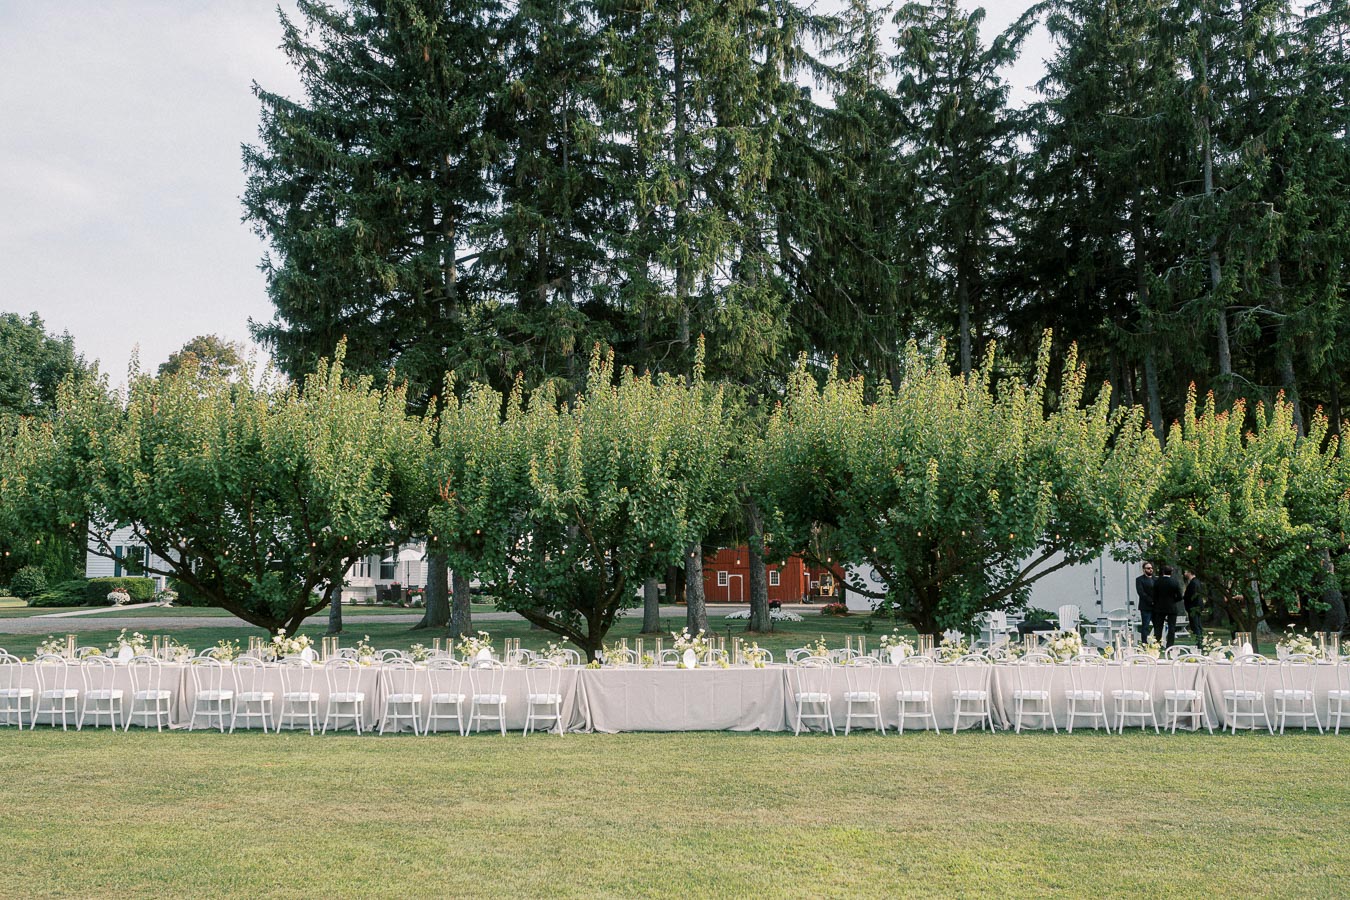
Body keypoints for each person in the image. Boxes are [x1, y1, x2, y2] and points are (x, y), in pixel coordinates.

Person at [1152, 564, 1183, 647]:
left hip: (1160, 607)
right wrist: (1173, 601)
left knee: (1158, 627)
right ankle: (1170, 646)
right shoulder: (1174, 582)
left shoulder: (1158, 582)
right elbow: (1180, 596)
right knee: (1171, 627)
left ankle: (1157, 644)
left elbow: (1154, 595)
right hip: (1171, 607)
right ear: (1171, 572)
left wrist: (1157, 602)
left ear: (1163, 572)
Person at [1136, 562, 1156, 642]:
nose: (1150, 570)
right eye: (1148, 568)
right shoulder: (1139, 579)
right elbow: (1141, 593)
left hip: (1156, 607)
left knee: (1157, 626)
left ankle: (1157, 643)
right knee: (1145, 626)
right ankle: (1144, 643)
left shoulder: (1156, 579)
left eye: (1151, 568)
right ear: (1144, 569)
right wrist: (1151, 601)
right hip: (1145, 606)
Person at [1182, 570, 1203, 643]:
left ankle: (1199, 643)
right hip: (1196, 607)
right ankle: (1199, 641)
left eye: (1186, 572)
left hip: (1193, 607)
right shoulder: (1197, 582)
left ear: (1190, 573)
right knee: (1197, 625)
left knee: (1195, 625)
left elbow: (1191, 596)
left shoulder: (1193, 583)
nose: (1185, 573)